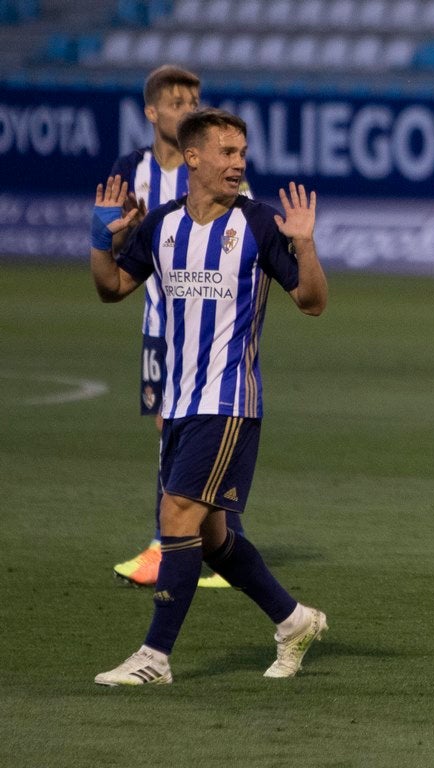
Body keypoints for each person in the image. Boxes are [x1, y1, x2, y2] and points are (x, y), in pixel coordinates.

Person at [90, 107, 328, 685]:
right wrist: (102, 239)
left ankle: (155, 657)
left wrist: (306, 247)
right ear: (192, 157)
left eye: (242, 153)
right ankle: (294, 620)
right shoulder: (162, 225)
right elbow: (113, 287)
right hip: (178, 403)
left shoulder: (261, 224)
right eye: (226, 152)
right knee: (214, 537)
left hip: (227, 402)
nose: (237, 162)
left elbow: (313, 302)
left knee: (175, 515)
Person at [109, 64, 246, 589]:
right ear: (151, 111)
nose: (186, 108)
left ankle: (180, 543)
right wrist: (122, 232)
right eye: (175, 102)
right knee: (169, 432)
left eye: (193, 100)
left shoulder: (222, 172)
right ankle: (184, 542)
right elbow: (118, 252)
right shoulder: (132, 170)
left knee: (204, 428)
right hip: (158, 327)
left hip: (212, 330)